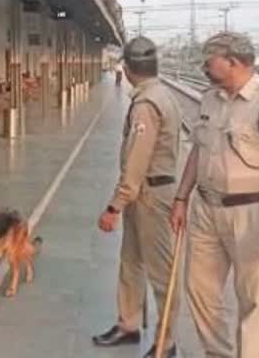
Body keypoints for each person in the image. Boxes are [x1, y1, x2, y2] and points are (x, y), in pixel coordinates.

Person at [170, 32, 259, 358]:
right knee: (199, 290)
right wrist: (181, 197)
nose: (204, 66)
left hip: (251, 213)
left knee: (251, 298)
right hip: (205, 208)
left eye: (209, 60)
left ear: (233, 62)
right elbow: (198, 150)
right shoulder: (210, 98)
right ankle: (218, 353)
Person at [94, 37, 182, 358]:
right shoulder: (160, 94)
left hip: (151, 196)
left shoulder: (147, 104)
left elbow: (136, 160)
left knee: (160, 273)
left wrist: (114, 205)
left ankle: (166, 343)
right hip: (144, 194)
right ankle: (128, 324)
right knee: (131, 262)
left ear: (129, 70)